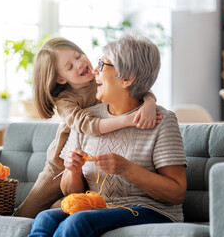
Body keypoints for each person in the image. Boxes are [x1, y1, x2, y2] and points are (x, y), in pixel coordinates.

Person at [28, 35, 187, 237]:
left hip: (152, 211)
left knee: (78, 222)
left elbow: (177, 193)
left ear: (126, 78)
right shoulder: (88, 118)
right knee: (45, 218)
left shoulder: (160, 119)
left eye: (102, 65)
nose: (94, 70)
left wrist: (127, 169)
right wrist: (73, 170)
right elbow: (71, 192)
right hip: (102, 208)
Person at [14, 37, 160, 218]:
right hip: (61, 164)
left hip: (90, 157)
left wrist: (149, 103)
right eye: (69, 67)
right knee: (28, 211)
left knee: (67, 208)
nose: (79, 64)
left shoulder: (101, 78)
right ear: (60, 79)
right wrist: (128, 120)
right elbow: (88, 125)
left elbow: (134, 84)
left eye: (78, 55)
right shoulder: (65, 100)